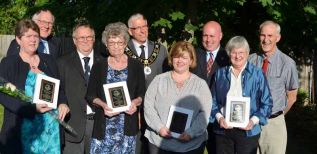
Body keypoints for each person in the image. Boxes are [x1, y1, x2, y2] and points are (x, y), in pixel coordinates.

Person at [0, 19, 69, 154]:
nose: (33, 40)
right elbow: (3, 95)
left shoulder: (49, 60)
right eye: (28, 36)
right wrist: (32, 108)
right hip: (24, 132)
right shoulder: (9, 63)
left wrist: (63, 103)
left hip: (50, 132)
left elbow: (59, 88)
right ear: (18, 40)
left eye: (36, 36)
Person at [86, 22, 145, 154]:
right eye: (112, 43)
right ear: (106, 45)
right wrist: (103, 105)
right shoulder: (98, 66)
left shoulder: (136, 65)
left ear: (125, 44)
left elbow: (142, 93)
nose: (116, 46)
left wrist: (135, 103)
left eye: (119, 42)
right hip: (104, 125)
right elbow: (90, 95)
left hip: (128, 126)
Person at [144, 41, 212, 153]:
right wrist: (159, 128)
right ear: (172, 59)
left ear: (191, 60)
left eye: (184, 57)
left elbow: (205, 113)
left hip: (191, 145)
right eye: (176, 57)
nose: (180, 61)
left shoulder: (200, 84)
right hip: (159, 142)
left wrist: (191, 133)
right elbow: (148, 106)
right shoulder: (158, 80)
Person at [211, 36, 273, 154]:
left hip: (248, 131)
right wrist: (219, 118)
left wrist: (253, 121)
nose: (237, 56)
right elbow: (212, 101)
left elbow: (267, 103)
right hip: (223, 130)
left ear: (247, 53)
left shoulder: (257, 74)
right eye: (234, 52)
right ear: (229, 54)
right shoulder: (220, 74)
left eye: (241, 52)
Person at [248, 20, 299, 154]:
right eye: (263, 35)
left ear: (278, 38)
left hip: (274, 125)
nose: (266, 40)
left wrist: (277, 115)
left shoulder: (287, 64)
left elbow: (292, 97)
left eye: (270, 36)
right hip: (250, 123)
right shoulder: (250, 60)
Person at [58, 23, 104, 154]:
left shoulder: (104, 62)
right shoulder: (62, 63)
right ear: (74, 40)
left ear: (94, 39)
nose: (85, 41)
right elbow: (59, 90)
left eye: (89, 37)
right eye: (81, 37)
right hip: (72, 127)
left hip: (98, 126)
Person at [127, 13, 168, 154]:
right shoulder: (123, 51)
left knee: (154, 148)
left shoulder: (160, 50)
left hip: (156, 109)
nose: (143, 30)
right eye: (138, 28)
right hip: (132, 109)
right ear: (130, 31)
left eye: (144, 26)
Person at [192, 21, 230, 154]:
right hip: (195, 116)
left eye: (212, 36)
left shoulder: (230, 58)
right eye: (205, 35)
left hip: (218, 119)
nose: (208, 40)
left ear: (220, 36)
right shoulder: (193, 55)